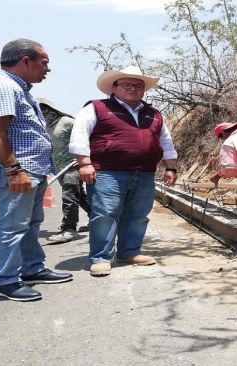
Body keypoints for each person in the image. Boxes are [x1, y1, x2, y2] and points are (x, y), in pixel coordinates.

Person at [0, 38, 73, 302]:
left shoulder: (19, 89)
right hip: (19, 169)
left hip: (32, 169)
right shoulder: (3, 87)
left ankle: (32, 268)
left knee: (31, 224)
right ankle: (5, 281)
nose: (48, 69)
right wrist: (14, 169)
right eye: (44, 63)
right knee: (13, 225)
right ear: (25, 61)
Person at [69, 66, 178, 277]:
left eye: (138, 85)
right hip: (107, 173)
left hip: (145, 173)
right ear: (114, 87)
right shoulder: (97, 108)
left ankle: (129, 251)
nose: (133, 88)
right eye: (127, 84)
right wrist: (84, 163)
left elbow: (166, 142)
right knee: (105, 214)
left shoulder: (153, 114)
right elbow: (80, 136)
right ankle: (101, 257)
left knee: (138, 215)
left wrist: (171, 167)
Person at [37, 98, 91, 243]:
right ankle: (97, 218)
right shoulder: (43, 126)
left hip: (73, 165)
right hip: (60, 168)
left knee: (69, 196)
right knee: (78, 196)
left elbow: (86, 136)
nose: (41, 113)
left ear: (51, 109)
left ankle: (69, 229)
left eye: (44, 109)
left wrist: (84, 159)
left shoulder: (67, 122)